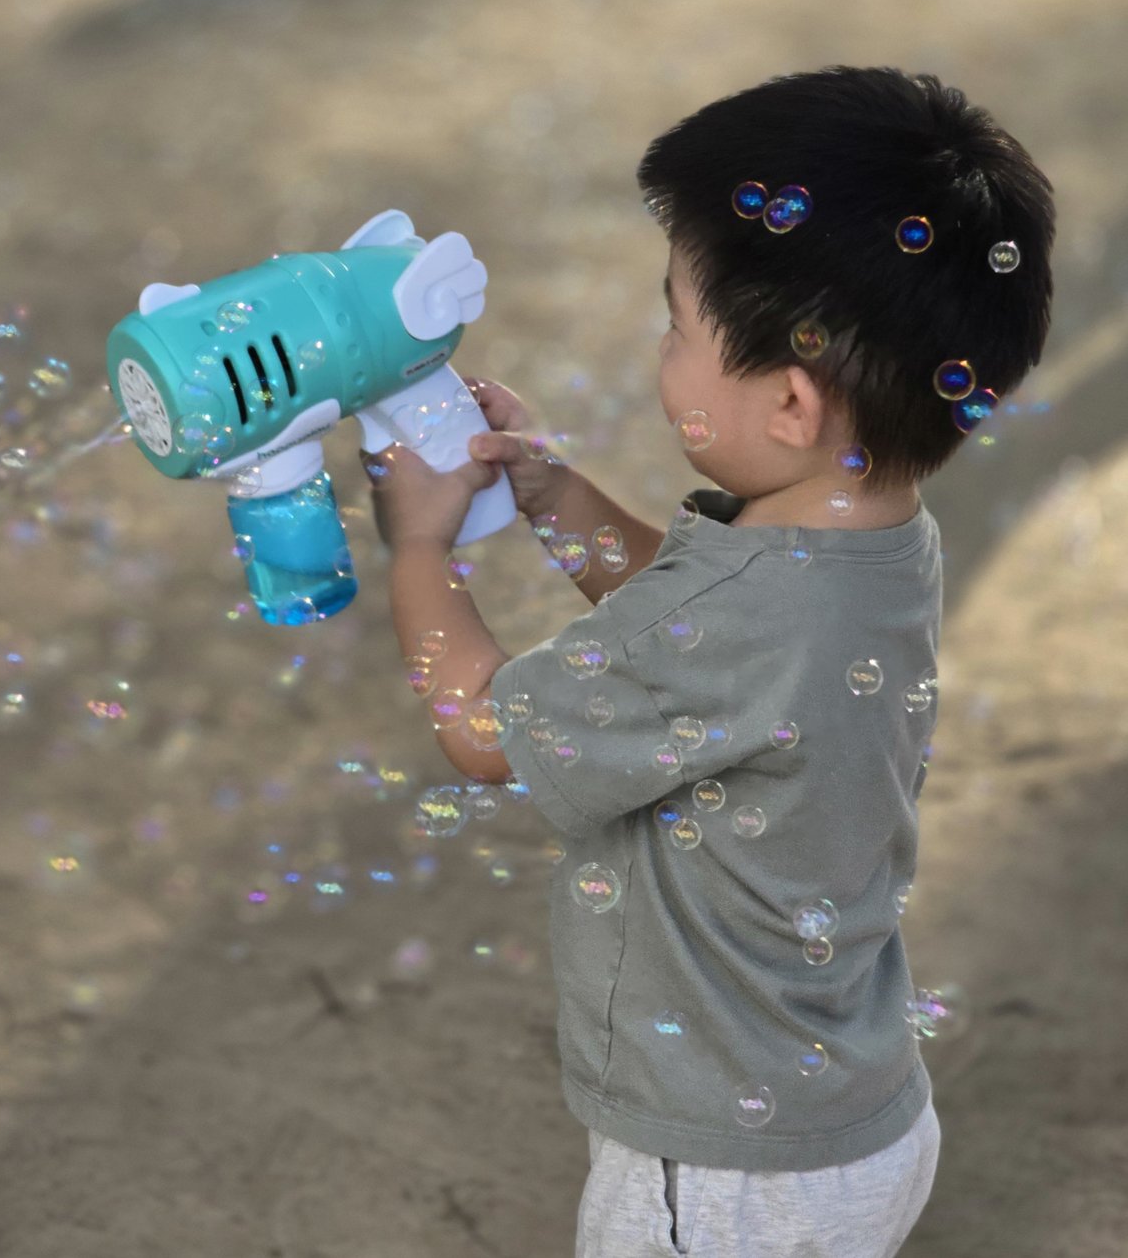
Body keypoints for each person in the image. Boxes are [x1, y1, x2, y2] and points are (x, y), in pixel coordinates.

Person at [366, 67, 1053, 1256]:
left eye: (675, 324)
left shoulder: (748, 609)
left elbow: (483, 734)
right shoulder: (874, 536)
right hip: (854, 1110)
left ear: (790, 404)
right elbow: (690, 635)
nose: (661, 353)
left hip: (727, 1177)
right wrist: (551, 493)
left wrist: (420, 547)